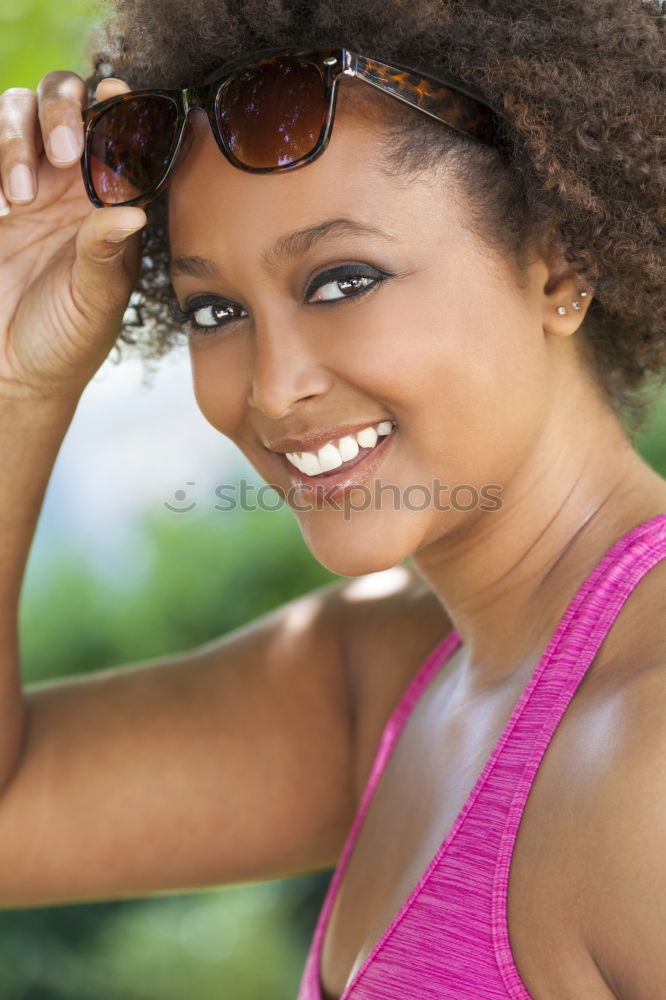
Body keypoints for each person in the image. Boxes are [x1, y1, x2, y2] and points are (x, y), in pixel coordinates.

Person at [0, 0, 664, 997]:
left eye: (342, 280)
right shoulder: (387, 677)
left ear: (558, 261)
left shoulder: (647, 750)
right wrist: (18, 381)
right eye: (215, 309)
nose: (272, 388)